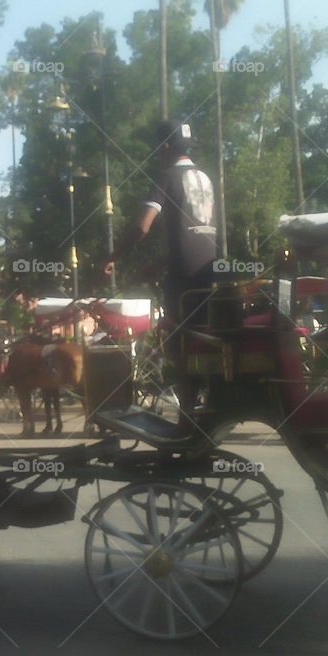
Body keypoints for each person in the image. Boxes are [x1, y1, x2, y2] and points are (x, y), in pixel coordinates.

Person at [101, 119, 218, 429]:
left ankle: (187, 416)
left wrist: (113, 256)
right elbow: (194, 236)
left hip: (182, 279)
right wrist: (155, 265)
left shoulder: (167, 176)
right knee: (204, 338)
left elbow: (143, 226)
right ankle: (207, 404)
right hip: (210, 274)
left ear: (164, 147)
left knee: (179, 343)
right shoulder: (206, 179)